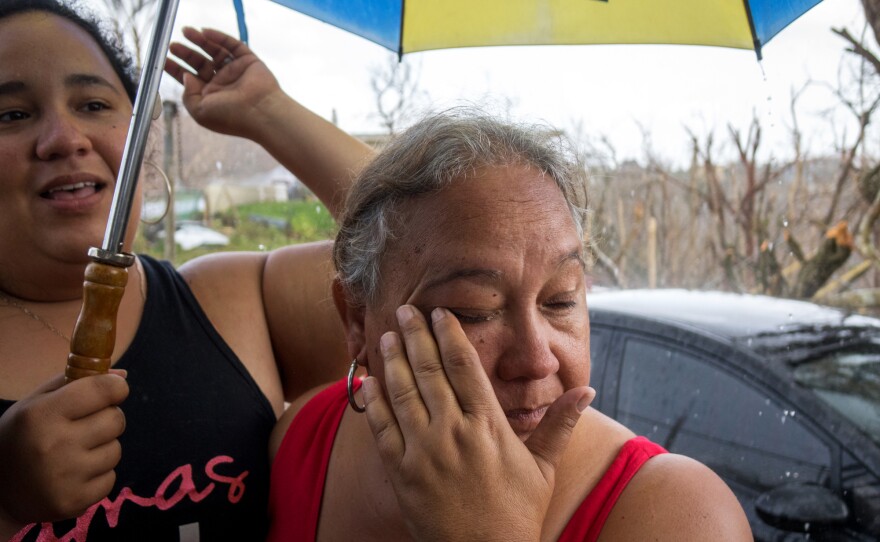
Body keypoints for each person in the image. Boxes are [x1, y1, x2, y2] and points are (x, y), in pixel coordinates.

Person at [267, 111, 754, 541]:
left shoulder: (680, 514)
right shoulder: (301, 439)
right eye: (472, 310)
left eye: (561, 301)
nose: (537, 359)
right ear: (357, 320)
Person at [0, 1, 373, 539]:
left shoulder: (237, 301)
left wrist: (269, 111)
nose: (65, 138)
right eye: (11, 114)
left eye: (93, 103)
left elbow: (433, 247)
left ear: (138, 138)